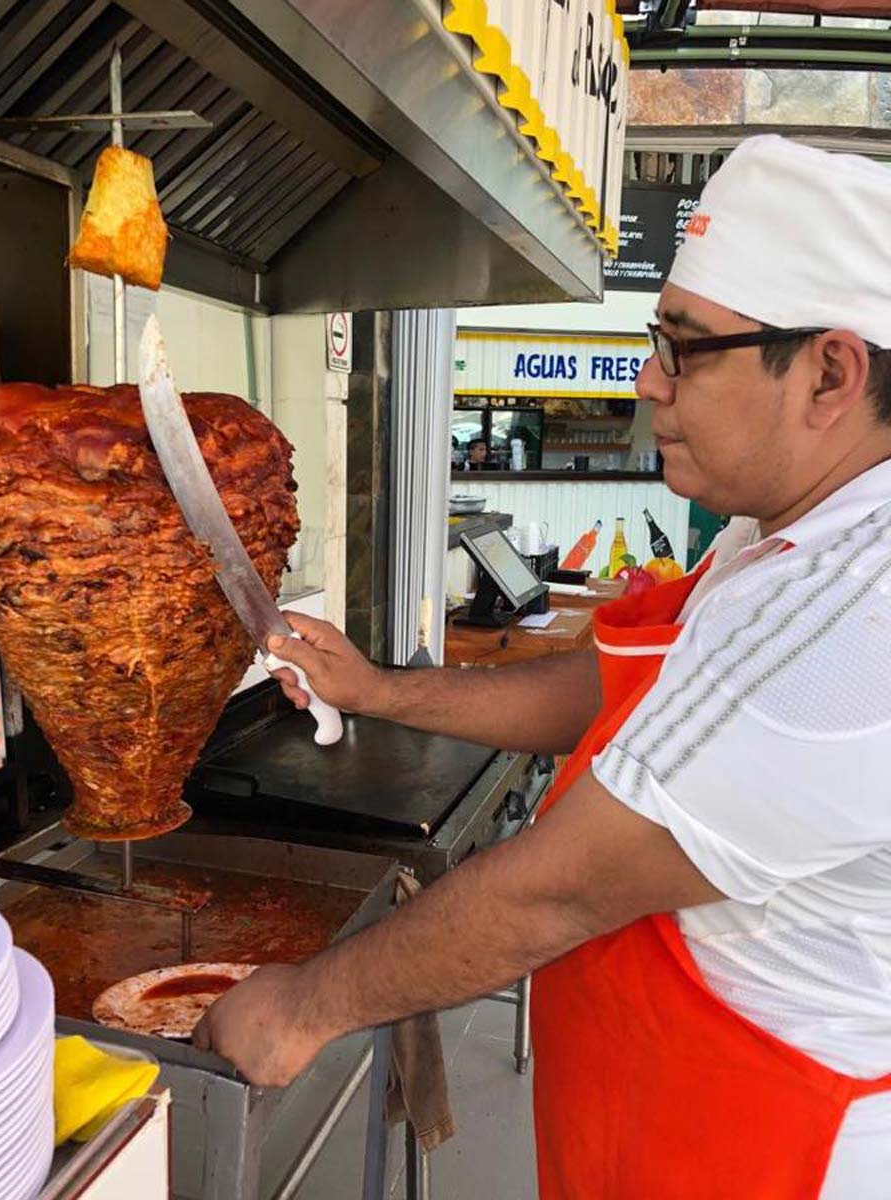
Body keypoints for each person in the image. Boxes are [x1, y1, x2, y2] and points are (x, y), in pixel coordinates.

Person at [195, 136, 891, 1198]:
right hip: (657, 1106)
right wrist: (378, 689)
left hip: (765, 1149)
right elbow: (610, 692)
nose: (648, 379)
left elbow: (556, 893)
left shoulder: (850, 618)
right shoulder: (779, 530)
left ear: (830, 373)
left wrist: (307, 1006)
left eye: (685, 348)